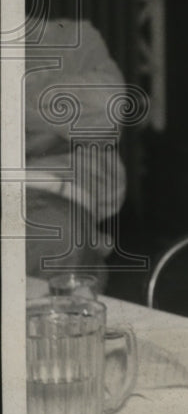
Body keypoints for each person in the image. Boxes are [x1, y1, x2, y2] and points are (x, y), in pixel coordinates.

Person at [25, 17, 127, 286]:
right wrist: (58, 127)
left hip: (50, 200)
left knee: (57, 236)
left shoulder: (71, 36)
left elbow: (109, 108)